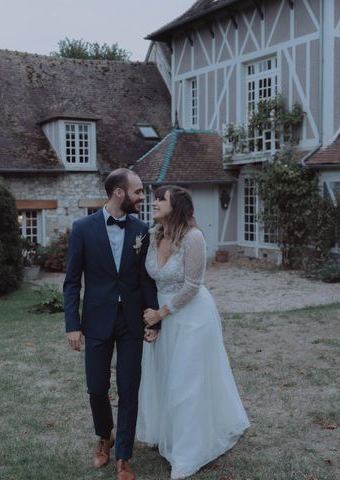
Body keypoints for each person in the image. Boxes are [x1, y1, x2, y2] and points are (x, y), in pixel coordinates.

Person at [137, 185, 250, 480]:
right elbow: (149, 281)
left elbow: (192, 285)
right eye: (155, 197)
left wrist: (162, 313)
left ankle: (187, 455)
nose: (155, 202)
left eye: (162, 199)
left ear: (178, 207)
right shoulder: (153, 236)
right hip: (164, 317)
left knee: (186, 383)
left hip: (192, 317)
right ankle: (170, 435)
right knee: (166, 378)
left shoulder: (193, 238)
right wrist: (153, 320)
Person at [63, 168, 159, 480]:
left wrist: (153, 318)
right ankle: (104, 435)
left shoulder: (141, 229)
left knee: (129, 388)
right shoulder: (82, 228)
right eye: (138, 191)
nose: (142, 197)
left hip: (131, 320)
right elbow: (72, 282)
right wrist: (72, 324)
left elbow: (146, 279)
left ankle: (123, 456)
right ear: (119, 192)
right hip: (96, 319)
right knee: (96, 387)